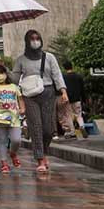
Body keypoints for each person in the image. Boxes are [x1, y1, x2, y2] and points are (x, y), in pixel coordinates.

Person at [12, 29, 68, 173]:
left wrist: (63, 91)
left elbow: (57, 74)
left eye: (37, 38)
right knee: (36, 127)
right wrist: (6, 74)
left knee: (48, 129)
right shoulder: (21, 60)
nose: (35, 41)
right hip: (29, 96)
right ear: (27, 41)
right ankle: (40, 159)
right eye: (32, 38)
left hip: (48, 92)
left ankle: (43, 152)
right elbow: (14, 79)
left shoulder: (49, 57)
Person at [62, 61, 87, 138]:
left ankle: (72, 132)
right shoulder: (78, 76)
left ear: (64, 68)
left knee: (69, 115)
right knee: (78, 114)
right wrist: (84, 99)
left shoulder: (64, 77)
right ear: (72, 66)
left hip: (68, 99)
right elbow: (82, 89)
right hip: (77, 99)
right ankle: (82, 126)